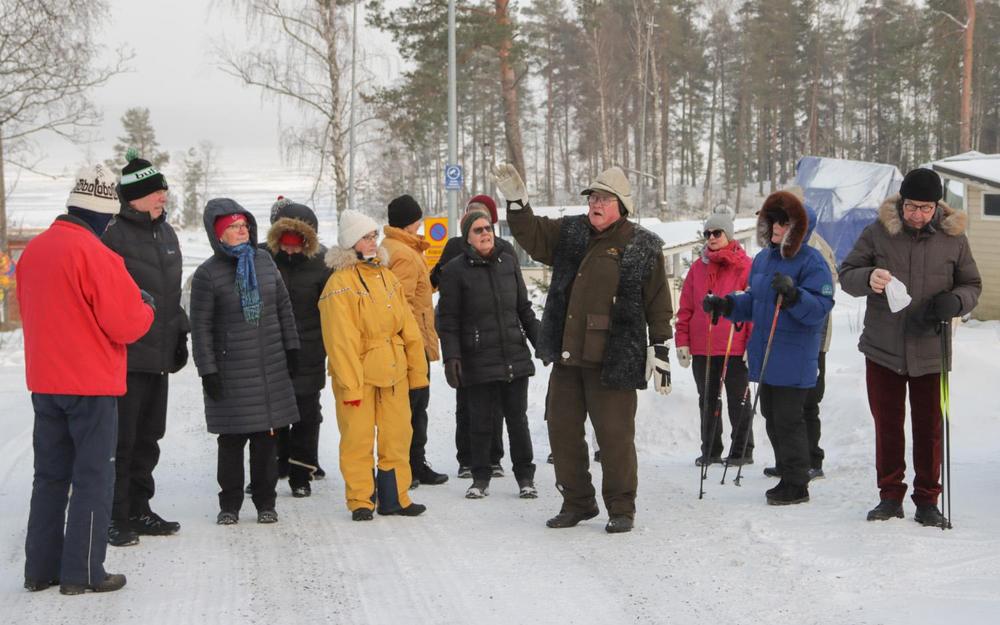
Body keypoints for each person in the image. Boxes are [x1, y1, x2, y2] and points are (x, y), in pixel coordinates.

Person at [496, 163, 673, 534]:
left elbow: (658, 301)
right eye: (592, 197)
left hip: (615, 357)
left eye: (604, 199)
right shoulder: (572, 232)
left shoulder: (642, 245)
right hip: (568, 354)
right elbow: (533, 235)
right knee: (561, 430)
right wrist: (518, 203)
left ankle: (621, 507)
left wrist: (659, 347)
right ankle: (577, 502)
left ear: (621, 204)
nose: (595, 204)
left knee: (614, 437)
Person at [18, 164, 154, 594]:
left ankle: (40, 570)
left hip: (45, 382)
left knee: (49, 477)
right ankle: (84, 572)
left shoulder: (35, 250)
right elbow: (126, 325)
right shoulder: (96, 255)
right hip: (90, 386)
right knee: (93, 477)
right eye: (109, 218)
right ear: (102, 213)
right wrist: (146, 307)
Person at [839, 168, 981, 526]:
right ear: (902, 203)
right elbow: (847, 274)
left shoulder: (954, 239)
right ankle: (890, 496)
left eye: (926, 208)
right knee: (887, 426)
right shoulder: (878, 233)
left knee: (929, 429)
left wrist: (956, 302)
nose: (918, 215)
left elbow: (972, 285)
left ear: (937, 207)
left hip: (931, 348)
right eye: (912, 206)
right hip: (883, 348)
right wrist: (867, 278)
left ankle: (928, 500)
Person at [703, 191, 834, 506]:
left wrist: (794, 296)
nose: (776, 227)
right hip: (767, 354)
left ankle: (797, 483)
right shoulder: (764, 259)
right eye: (773, 220)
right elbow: (754, 300)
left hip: (794, 355)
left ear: (798, 227)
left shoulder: (812, 261)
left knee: (789, 419)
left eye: (784, 222)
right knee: (771, 416)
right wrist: (727, 305)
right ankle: (787, 473)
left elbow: (820, 307)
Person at [190, 199, 300, 525]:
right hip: (231, 371)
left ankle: (266, 503)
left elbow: (284, 308)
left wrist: (292, 348)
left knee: (266, 441)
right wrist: (208, 370)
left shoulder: (264, 262)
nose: (242, 231)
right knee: (231, 441)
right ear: (218, 234)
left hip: (269, 368)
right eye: (234, 227)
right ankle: (230, 505)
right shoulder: (207, 274)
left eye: (244, 226)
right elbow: (201, 328)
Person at [101, 149, 188, 547]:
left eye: (163, 191)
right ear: (134, 197)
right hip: (125, 356)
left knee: (149, 437)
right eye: (156, 192)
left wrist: (180, 332)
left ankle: (139, 509)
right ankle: (113, 516)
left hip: (158, 356)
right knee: (121, 441)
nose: (162, 197)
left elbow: (171, 294)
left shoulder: (166, 233)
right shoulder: (112, 234)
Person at [318, 209, 429, 521]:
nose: (372, 242)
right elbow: (341, 342)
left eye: (373, 236)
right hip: (358, 375)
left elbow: (409, 328)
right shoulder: (339, 284)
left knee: (397, 435)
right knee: (358, 438)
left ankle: (396, 497)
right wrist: (351, 386)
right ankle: (361, 500)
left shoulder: (387, 277)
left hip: (393, 370)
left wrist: (417, 373)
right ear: (350, 242)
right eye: (365, 237)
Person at [437, 209, 541, 499]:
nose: (485, 233)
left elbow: (524, 309)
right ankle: (480, 478)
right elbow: (448, 320)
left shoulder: (508, 262)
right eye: (478, 230)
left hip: (513, 356)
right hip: (478, 357)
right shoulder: (455, 271)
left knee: (518, 422)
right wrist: (452, 357)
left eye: (488, 228)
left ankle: (525, 478)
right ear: (467, 238)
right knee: (480, 422)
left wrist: (541, 342)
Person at [430, 194, 509, 478]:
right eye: (470, 212)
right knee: (466, 399)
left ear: (491, 221)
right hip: (464, 334)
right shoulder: (454, 246)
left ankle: (494, 457)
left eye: (481, 213)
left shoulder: (503, 249)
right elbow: (435, 280)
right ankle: (467, 458)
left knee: (496, 399)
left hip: (496, 335)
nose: (474, 217)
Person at [263, 197, 332, 498]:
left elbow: (331, 309)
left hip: (309, 348)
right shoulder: (263, 259)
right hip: (272, 349)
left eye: (296, 246)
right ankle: (274, 464)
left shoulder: (323, 264)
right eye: (285, 245)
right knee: (271, 413)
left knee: (306, 412)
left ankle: (302, 471)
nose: (290, 252)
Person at [675, 206, 753, 467]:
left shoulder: (745, 266)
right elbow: (686, 307)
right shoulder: (697, 268)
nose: (711, 237)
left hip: (734, 346)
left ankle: (742, 450)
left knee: (738, 400)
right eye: (707, 233)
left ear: (728, 234)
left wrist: (751, 344)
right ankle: (710, 450)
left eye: (717, 232)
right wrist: (682, 341)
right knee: (707, 400)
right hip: (703, 346)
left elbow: (754, 307)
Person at [381, 194, 448, 488]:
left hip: (410, 340)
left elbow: (415, 293)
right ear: (409, 221)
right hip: (412, 343)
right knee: (414, 407)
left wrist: (432, 281)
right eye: (417, 219)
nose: (420, 223)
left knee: (411, 407)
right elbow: (401, 304)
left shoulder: (398, 247)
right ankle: (411, 466)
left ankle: (411, 464)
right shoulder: (404, 254)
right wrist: (410, 344)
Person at [764, 227, 836, 482]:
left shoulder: (815, 249)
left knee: (807, 403)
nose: (773, 225)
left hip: (811, 339)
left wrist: (794, 293)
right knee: (777, 407)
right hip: (780, 339)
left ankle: (812, 460)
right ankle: (786, 461)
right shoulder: (772, 251)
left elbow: (824, 295)